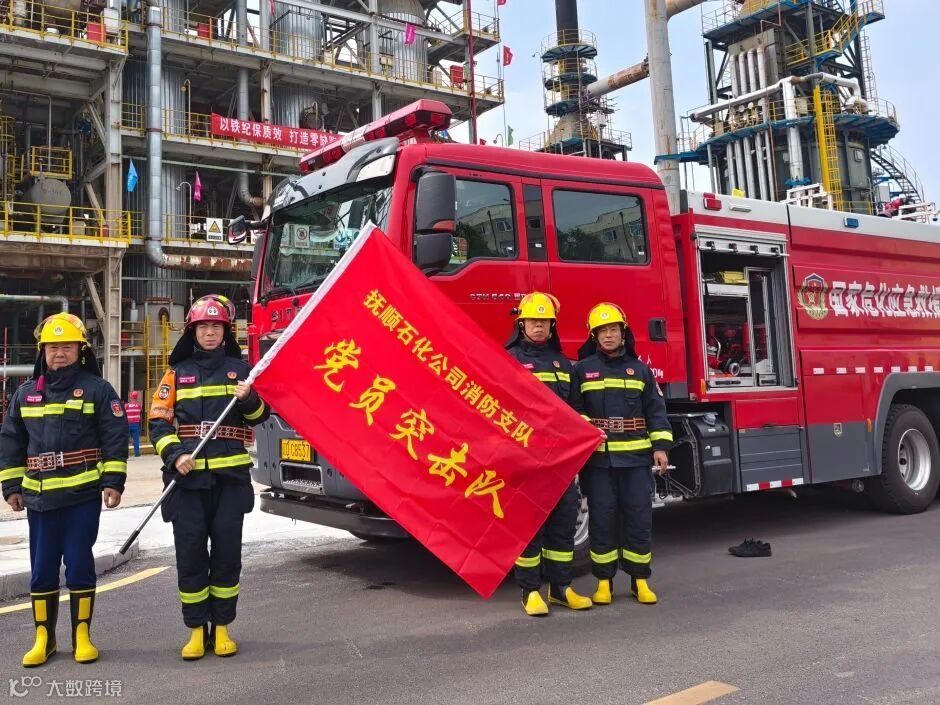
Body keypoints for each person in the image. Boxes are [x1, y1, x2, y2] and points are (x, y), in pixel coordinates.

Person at [0, 313, 127, 667]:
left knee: (80, 566)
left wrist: (113, 481)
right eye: (53, 347)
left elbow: (114, 437)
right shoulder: (25, 394)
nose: (59, 353)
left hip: (81, 498)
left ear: (80, 350)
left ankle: (82, 636)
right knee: (41, 570)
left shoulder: (98, 390)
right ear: (43, 351)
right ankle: (44, 638)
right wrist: (11, 486)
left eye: (67, 346)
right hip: (39, 501)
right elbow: (10, 442)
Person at [148, 295, 269, 660]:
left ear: (225, 332)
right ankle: (196, 631)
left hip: (230, 481)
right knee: (190, 557)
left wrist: (248, 400)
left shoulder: (242, 371)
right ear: (193, 332)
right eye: (203, 327)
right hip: (187, 483)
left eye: (217, 326)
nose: (210, 333)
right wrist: (176, 454)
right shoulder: (176, 374)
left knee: (228, 556)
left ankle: (223, 627)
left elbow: (261, 416)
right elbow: (158, 421)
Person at [573, 303, 672, 606]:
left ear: (623, 333)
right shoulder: (582, 370)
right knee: (602, 520)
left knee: (639, 519)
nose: (608, 335)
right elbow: (575, 409)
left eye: (613, 329)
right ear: (594, 336)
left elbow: (656, 410)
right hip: (599, 462)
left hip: (636, 461)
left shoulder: (640, 370)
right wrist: (587, 428)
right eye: (602, 331)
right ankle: (603, 583)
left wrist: (661, 448)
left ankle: (639, 581)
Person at [505, 292, 593, 616]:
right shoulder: (508, 360)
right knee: (530, 526)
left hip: (560, 462)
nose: (539, 326)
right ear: (522, 324)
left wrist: (584, 430)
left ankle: (560, 588)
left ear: (552, 326)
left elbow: (576, 407)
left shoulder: (563, 364)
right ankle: (530, 591)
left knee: (563, 523)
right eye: (533, 321)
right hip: (527, 458)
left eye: (544, 322)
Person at [124, 391, 142, 458]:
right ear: (137, 397)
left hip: (128, 424)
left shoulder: (126, 406)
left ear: (130, 397)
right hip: (136, 424)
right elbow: (140, 411)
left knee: (126, 439)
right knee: (136, 439)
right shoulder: (139, 406)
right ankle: (137, 453)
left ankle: (126, 454)